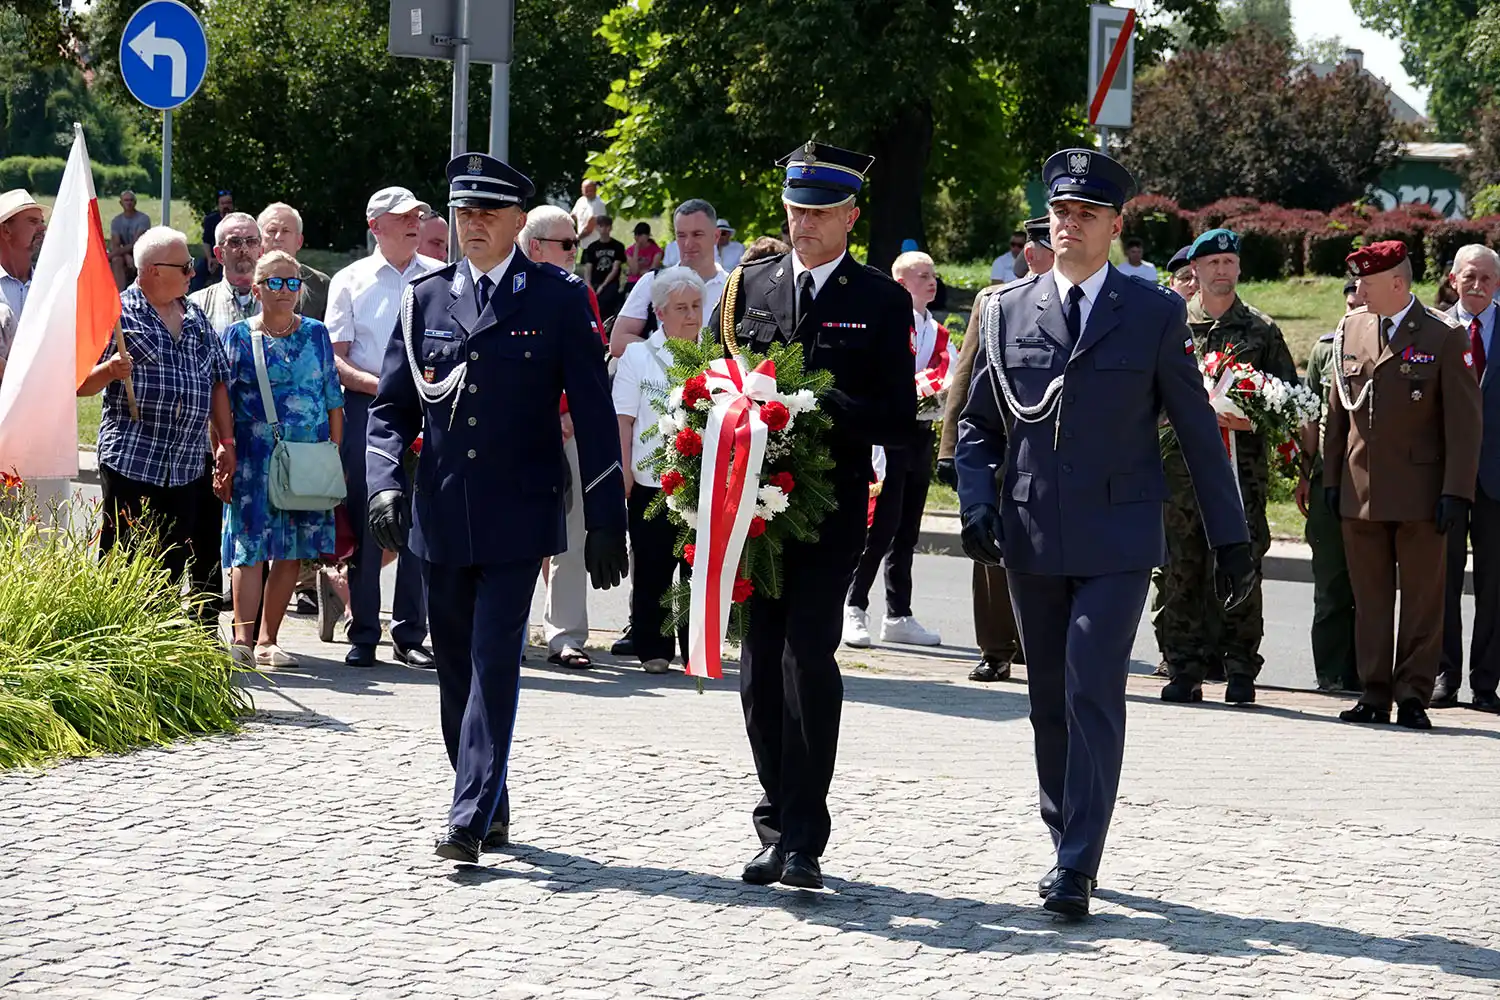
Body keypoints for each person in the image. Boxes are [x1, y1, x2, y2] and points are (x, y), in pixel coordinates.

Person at [955, 148, 1251, 918]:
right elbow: (981, 425)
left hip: (1119, 537)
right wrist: (976, 501)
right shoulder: (1008, 309)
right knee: (1047, 697)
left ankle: (1079, 861)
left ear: (1115, 226)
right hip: (1031, 533)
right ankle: (1065, 835)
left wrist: (1232, 538)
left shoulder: (1152, 312)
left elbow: (1194, 426)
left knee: (1093, 684)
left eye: (1086, 215)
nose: (1070, 226)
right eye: (1060, 213)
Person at [365, 151, 628, 864]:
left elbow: (597, 415)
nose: (472, 225)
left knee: (493, 661)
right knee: (453, 668)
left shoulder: (557, 296)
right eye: (462, 212)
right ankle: (491, 799)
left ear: (519, 222)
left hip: (520, 512)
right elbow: (390, 409)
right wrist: (387, 483)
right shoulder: (425, 297)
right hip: (442, 515)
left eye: (487, 213)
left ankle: (468, 816)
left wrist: (607, 518)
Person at [710, 140, 916, 891]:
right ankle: (775, 817)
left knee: (807, 655)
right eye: (796, 209)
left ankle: (805, 834)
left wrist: (832, 406)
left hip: (828, 509)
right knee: (760, 667)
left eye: (820, 212)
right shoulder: (748, 286)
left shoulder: (879, 300)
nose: (803, 223)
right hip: (752, 508)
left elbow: (900, 416)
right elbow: (709, 382)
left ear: (851, 217)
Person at [1326, 240, 1481, 730]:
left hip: (1422, 493)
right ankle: (1373, 693)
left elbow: (1465, 423)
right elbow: (1337, 415)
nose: (1358, 291)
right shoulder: (1351, 327)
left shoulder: (1442, 335)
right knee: (1369, 600)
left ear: (1398, 283)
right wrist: (1333, 479)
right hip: (1361, 490)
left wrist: (1457, 491)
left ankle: (1412, 694)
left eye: (1367, 283)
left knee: (1421, 600)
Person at [1154, 228, 1298, 704]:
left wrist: (1251, 417)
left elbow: (1288, 404)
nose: (1221, 270)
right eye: (1211, 262)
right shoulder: (1170, 323)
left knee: (1241, 567)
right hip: (1178, 475)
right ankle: (1184, 668)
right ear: (1193, 269)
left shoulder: (1261, 330)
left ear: (1238, 268)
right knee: (1180, 571)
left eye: (1228, 262)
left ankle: (1240, 669)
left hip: (1241, 476)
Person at [78, 226, 236, 590]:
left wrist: (225, 441)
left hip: (185, 465)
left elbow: (217, 382)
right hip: (133, 461)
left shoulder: (195, 317)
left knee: (171, 563)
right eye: (185, 267)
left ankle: (157, 643)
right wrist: (109, 370)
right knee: (125, 563)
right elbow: (81, 384)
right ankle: (119, 640)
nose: (193, 273)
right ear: (152, 270)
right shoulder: (118, 315)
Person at [325, 186, 443, 668]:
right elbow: (336, 358)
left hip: (430, 411)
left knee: (419, 521)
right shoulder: (350, 280)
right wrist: (388, 388)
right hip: (368, 411)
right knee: (371, 517)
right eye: (402, 217)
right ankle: (364, 631)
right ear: (375, 226)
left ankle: (410, 633)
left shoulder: (440, 277)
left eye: (417, 214)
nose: (414, 222)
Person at [934, 217, 1052, 682]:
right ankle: (996, 647)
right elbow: (966, 376)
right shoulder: (996, 302)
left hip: (1052, 452)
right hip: (1001, 443)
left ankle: (1033, 642)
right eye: (1037, 245)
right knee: (992, 553)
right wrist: (949, 450)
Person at [220, 250, 344, 668]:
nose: (285, 290)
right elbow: (221, 401)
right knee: (250, 548)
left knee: (290, 549)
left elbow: (333, 400)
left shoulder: (316, 334)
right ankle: (243, 640)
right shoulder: (237, 336)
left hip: (306, 460)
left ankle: (270, 641)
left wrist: (334, 456)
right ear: (256, 289)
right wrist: (223, 451)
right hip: (254, 459)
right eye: (275, 282)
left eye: (293, 282)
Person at [845, 250, 953, 648]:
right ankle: (854, 606)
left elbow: (948, 373)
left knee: (908, 529)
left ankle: (899, 613)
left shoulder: (937, 331)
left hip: (920, 435)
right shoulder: (887, 322)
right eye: (923, 275)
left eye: (933, 274)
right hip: (889, 436)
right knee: (882, 526)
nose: (932, 281)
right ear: (901, 284)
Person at [519, 205, 601, 669]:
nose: (575, 251)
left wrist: (569, 412)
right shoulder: (507, 288)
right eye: (567, 244)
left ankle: (565, 635)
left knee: (571, 538)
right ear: (536, 247)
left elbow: (588, 362)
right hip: (521, 430)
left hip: (568, 429)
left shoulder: (578, 294)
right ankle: (509, 632)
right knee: (514, 534)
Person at [613, 266, 704, 673]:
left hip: (703, 480)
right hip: (653, 480)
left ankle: (697, 649)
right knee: (652, 566)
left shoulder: (716, 356)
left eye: (697, 306)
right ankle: (654, 646)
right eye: (681, 308)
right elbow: (624, 419)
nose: (690, 315)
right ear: (660, 313)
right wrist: (625, 472)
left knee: (697, 568)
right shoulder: (638, 355)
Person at [1436, 244, 1500, 712]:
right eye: (1470, 277)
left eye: (1488, 278)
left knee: (1495, 584)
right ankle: (1443, 675)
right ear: (1453, 278)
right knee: (1441, 577)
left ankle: (1486, 684)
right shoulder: (1433, 330)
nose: (1478, 285)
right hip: (1443, 476)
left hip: (1497, 478)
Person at [1295, 278, 1364, 693]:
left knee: (1371, 588)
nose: (1355, 312)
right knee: (1331, 586)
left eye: (1363, 304)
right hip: (1326, 480)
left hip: (1375, 482)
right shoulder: (1326, 349)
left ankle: (1368, 671)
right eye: (1350, 304)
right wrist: (1304, 474)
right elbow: (1308, 415)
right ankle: (1331, 676)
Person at [611, 199, 726, 358]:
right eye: (681, 235)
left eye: (697, 234)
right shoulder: (653, 281)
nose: (688, 243)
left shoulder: (732, 287)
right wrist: (676, 355)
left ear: (716, 236)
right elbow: (618, 343)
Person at [190, 213, 264, 333]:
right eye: (235, 242)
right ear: (219, 254)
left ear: (261, 251)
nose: (244, 249)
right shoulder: (198, 305)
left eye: (251, 241)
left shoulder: (277, 301)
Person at [258, 203, 332, 321]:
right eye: (272, 230)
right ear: (260, 239)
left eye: (286, 231)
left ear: (299, 241)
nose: (278, 237)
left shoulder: (320, 284)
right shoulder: (247, 280)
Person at [0, 190, 45, 319]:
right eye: (33, 221)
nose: (43, 228)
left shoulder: (49, 286)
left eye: (42, 222)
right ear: (6, 230)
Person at [581, 215, 627, 320]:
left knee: (608, 309)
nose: (604, 229)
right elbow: (588, 267)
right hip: (594, 282)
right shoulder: (592, 247)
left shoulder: (618, 246)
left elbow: (615, 268)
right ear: (597, 227)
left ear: (611, 228)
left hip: (610, 284)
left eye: (607, 226)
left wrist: (603, 285)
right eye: (601, 226)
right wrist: (588, 284)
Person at [108, 191, 151, 292]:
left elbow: (137, 243)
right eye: (126, 200)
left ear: (135, 202)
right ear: (121, 203)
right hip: (123, 254)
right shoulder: (116, 221)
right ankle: (120, 294)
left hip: (140, 252)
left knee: (113, 257)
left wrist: (110, 256)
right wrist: (126, 256)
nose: (129, 203)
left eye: (131, 200)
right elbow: (115, 244)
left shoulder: (143, 219)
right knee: (116, 260)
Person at [197, 190, 234, 290]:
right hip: (213, 256)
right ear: (218, 205)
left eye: (228, 203)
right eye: (223, 203)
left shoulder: (237, 221)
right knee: (198, 270)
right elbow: (206, 241)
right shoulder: (210, 220)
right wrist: (210, 258)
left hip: (232, 257)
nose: (226, 206)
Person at [571, 178, 607, 254]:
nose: (587, 192)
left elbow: (590, 227)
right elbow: (572, 216)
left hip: (596, 246)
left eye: (589, 190)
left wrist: (577, 238)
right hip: (584, 245)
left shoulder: (598, 204)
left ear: (595, 189)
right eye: (584, 189)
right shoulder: (581, 200)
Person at [625, 222, 661, 288]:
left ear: (647, 236)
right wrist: (636, 250)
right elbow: (634, 271)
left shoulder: (656, 251)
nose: (637, 237)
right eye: (636, 235)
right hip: (633, 282)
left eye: (640, 235)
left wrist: (640, 272)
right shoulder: (629, 251)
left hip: (648, 282)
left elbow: (652, 272)